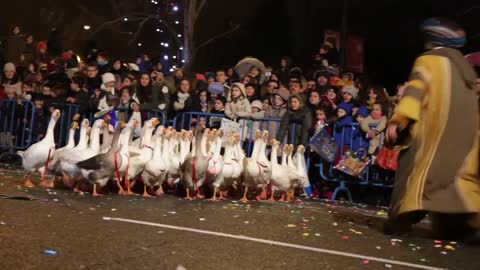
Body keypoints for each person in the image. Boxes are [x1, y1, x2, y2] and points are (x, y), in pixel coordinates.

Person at [384, 18, 480, 242]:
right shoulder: (466, 68)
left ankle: (400, 219)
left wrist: (399, 120)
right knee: (457, 180)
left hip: (435, 134)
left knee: (416, 171)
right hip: (466, 137)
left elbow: (416, 91)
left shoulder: (428, 61)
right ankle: (459, 228)